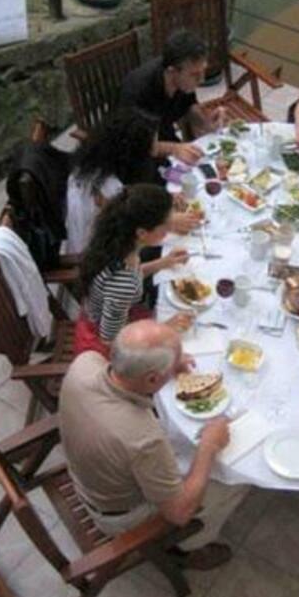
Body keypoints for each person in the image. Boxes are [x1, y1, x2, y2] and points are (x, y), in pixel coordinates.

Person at [60, 320, 248, 570]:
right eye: (174, 362)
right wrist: (208, 447)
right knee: (233, 481)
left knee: (180, 453)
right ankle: (189, 547)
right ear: (151, 378)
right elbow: (179, 513)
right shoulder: (144, 438)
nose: (180, 363)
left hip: (86, 472)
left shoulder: (84, 363)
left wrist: (167, 370)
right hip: (117, 514)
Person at [74, 184, 192, 357]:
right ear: (142, 233)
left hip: (111, 316)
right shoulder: (123, 283)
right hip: (104, 348)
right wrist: (164, 328)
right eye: (166, 225)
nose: (169, 229)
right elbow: (111, 340)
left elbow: (132, 275)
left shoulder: (118, 247)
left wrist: (163, 262)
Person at [66, 111, 201, 254]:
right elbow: (130, 227)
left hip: (110, 234)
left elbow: (132, 198)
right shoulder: (106, 189)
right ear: (135, 156)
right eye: (150, 151)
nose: (154, 153)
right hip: (98, 253)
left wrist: (163, 200)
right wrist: (168, 222)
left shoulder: (98, 163)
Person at [120, 29, 225, 166]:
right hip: (132, 153)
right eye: (195, 74)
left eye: (203, 71)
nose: (201, 80)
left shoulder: (182, 77)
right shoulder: (140, 92)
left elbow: (188, 105)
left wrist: (205, 123)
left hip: (162, 133)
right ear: (172, 72)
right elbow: (141, 146)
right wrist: (175, 149)